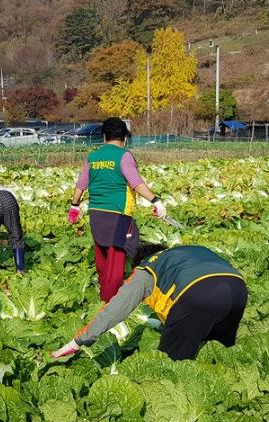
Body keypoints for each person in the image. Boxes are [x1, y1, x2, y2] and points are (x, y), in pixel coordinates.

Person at [51, 244, 247, 361]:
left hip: (197, 294)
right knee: (220, 356)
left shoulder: (148, 267)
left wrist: (77, 342)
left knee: (170, 367)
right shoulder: (190, 251)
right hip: (238, 290)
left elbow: (118, 307)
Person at [68, 117, 166, 302]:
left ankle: (102, 297)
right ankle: (110, 304)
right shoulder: (124, 156)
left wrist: (74, 207)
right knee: (116, 259)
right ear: (125, 138)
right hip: (118, 215)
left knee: (102, 256)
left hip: (96, 213)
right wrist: (155, 200)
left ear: (104, 136)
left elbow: (81, 185)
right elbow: (135, 183)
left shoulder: (93, 157)